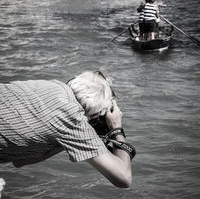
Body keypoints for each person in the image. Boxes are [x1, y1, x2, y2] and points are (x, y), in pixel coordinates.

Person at [0, 71, 136, 188]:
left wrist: (68, 143)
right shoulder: (74, 121)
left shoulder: (53, 85)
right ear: (95, 115)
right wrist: (116, 128)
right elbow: (123, 178)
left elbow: (20, 161)